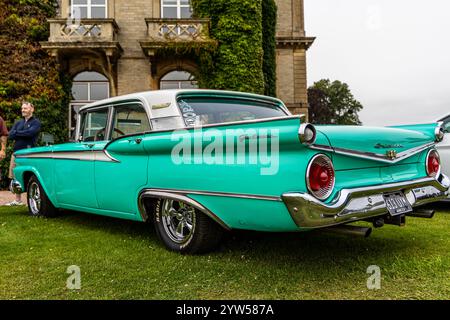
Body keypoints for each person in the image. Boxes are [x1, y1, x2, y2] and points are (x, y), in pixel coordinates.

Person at [6, 102, 41, 206]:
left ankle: (32, 199)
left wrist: (17, 133)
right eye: (22, 108)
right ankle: (18, 200)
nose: (23, 110)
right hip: (16, 152)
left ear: (32, 109)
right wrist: (20, 133)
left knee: (30, 175)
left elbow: (31, 133)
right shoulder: (18, 122)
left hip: (29, 153)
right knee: (15, 175)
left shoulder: (36, 122)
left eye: (25, 108)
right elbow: (10, 135)